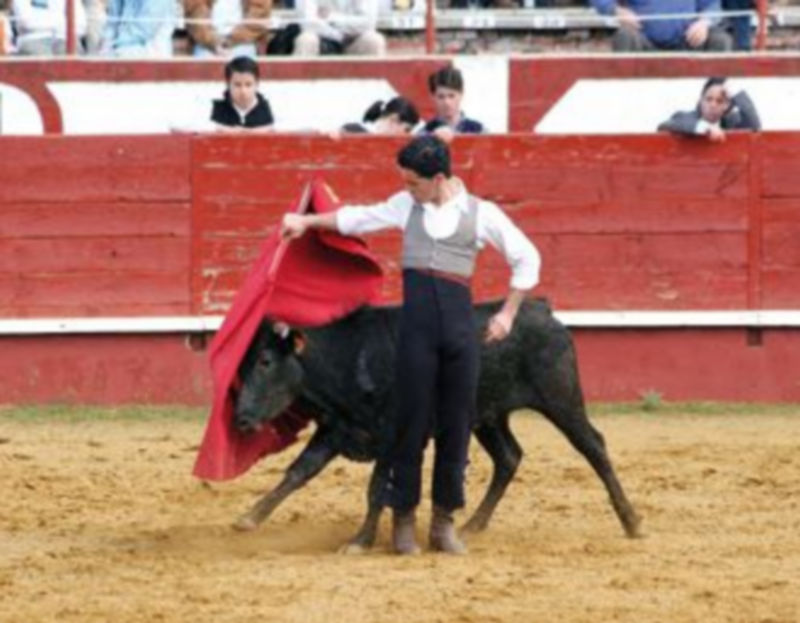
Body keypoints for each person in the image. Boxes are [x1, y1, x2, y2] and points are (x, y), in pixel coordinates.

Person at [279, 136, 541, 555]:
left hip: (459, 340)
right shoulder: (407, 206)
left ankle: (443, 523)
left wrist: (508, 314)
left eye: (413, 182)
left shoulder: (481, 214)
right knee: (409, 428)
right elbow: (357, 219)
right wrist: (307, 223)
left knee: (456, 428)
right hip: (415, 338)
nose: (406, 189)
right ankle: (403, 522)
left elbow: (528, 258)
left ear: (438, 178)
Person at [589, 0, 733, 52]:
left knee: (720, 40)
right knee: (625, 36)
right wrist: (615, 10)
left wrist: (704, 22)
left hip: (688, 42)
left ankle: (715, 103)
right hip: (644, 42)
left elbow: (713, 5)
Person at [658, 77, 761, 142]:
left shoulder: (731, 122)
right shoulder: (684, 116)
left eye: (719, 101)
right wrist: (705, 128)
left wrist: (735, 92)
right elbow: (664, 126)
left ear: (727, 106)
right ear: (701, 100)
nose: (712, 105)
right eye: (708, 99)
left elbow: (754, 125)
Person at [293, 0, 386, 56]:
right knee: (306, 39)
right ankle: (299, 85)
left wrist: (332, 18)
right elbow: (308, 24)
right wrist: (338, 35)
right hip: (322, 41)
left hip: (352, 41)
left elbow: (368, 24)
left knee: (374, 40)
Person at [183, 0, 270, 58]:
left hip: (243, 41)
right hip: (206, 43)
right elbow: (194, 14)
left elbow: (259, 15)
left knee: (244, 70)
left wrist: (230, 41)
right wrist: (213, 42)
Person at [211, 56, 274, 131]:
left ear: (257, 84)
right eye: (237, 85)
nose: (243, 91)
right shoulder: (215, 107)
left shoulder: (269, 107)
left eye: (248, 85)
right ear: (228, 84)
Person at [423, 67, 484, 143]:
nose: (447, 102)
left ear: (461, 94)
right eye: (441, 97)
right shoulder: (425, 133)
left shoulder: (480, 130)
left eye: (451, 96)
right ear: (433, 97)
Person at [102, 0, 175, 58]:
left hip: (147, 52)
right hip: (122, 50)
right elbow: (112, 23)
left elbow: (145, 31)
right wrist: (106, 46)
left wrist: (116, 50)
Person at [10, 0, 87, 55]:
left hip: (65, 40)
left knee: (75, 58)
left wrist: (45, 19)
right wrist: (62, 19)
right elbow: (26, 22)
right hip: (34, 39)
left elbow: (81, 25)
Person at [340, 97, 420, 135]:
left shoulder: (352, 129)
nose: (407, 135)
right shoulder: (352, 131)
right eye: (407, 130)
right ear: (394, 120)